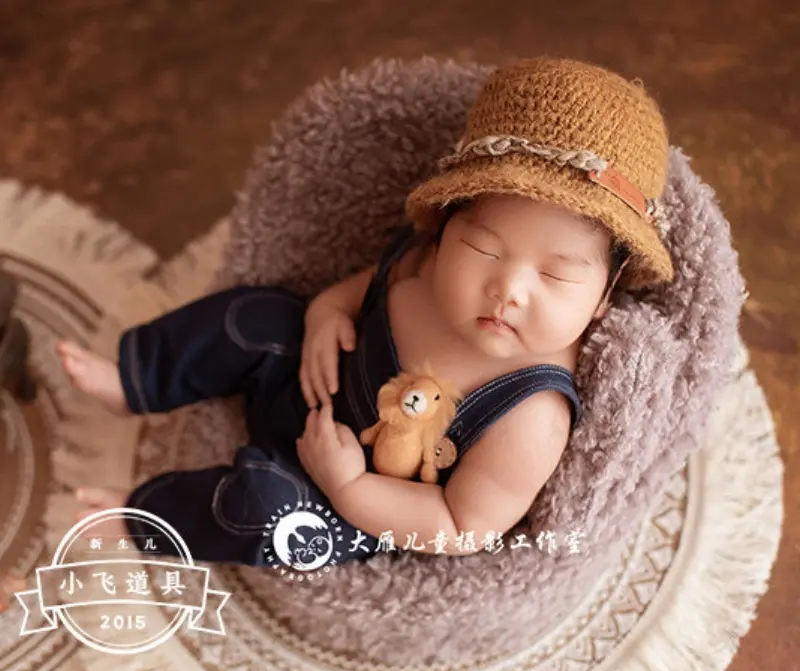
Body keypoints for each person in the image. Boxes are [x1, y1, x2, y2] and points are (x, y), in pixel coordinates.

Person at [55, 56, 674, 570]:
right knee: (256, 317)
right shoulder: (427, 263)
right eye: (482, 247)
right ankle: (137, 379)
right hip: (306, 381)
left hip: (353, 499)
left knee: (269, 512)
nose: (508, 289)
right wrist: (327, 312)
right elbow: (368, 286)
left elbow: (462, 525)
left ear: (605, 290)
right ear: (445, 226)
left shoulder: (534, 413)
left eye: (555, 273)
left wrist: (350, 488)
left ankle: (147, 521)